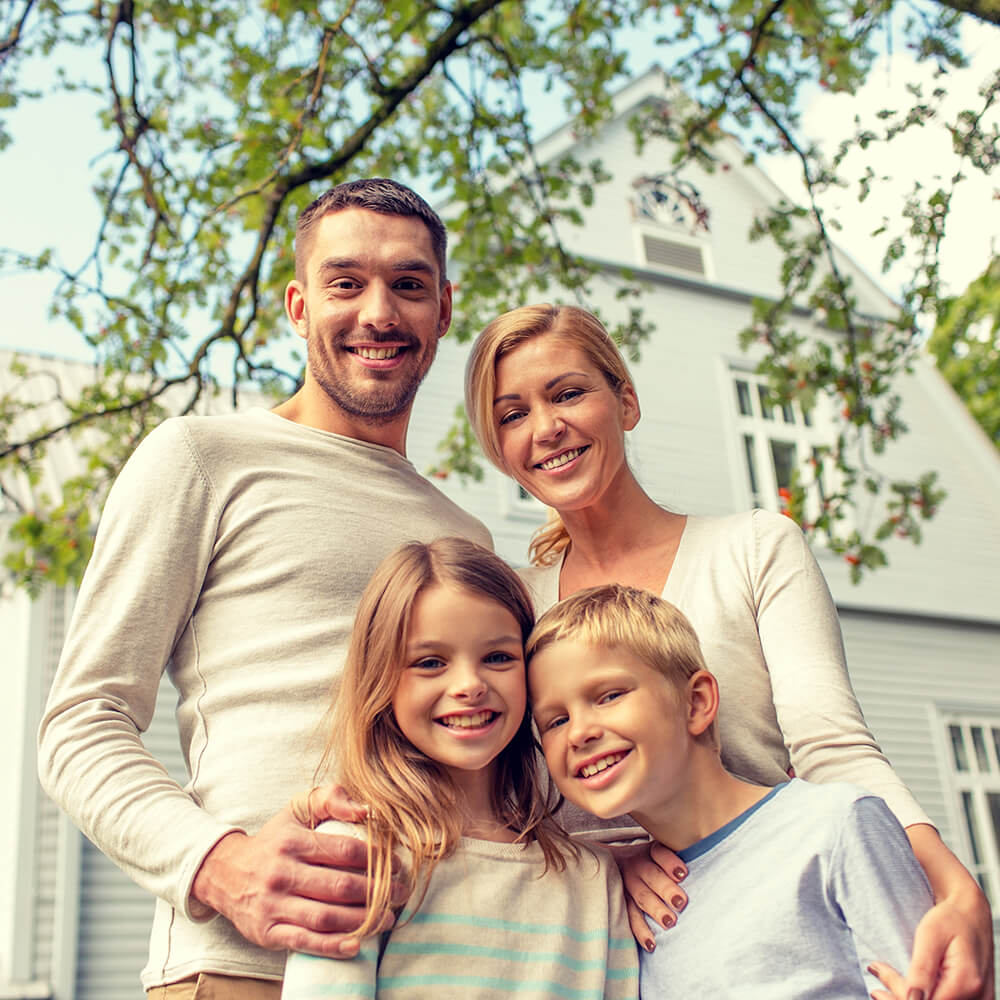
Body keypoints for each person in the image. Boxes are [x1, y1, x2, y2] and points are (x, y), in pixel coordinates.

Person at [36, 179, 494, 997]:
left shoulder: (467, 537)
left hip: (443, 967)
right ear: (297, 304)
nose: (379, 312)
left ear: (444, 308)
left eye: (409, 284)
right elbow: (80, 725)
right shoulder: (202, 457)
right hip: (247, 968)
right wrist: (220, 865)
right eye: (345, 282)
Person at [464, 303, 994, 1000]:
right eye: (513, 414)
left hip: (779, 926)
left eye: (568, 393)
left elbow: (832, 749)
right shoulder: (516, 613)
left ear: (626, 399)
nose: (546, 427)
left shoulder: (753, 549)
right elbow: (507, 807)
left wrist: (957, 890)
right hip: (620, 950)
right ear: (499, 448)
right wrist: (606, 866)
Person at [526, 582, 934, 998]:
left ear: (697, 702)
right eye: (555, 721)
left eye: (609, 695)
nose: (579, 732)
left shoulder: (837, 824)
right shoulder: (621, 902)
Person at [280, 537, 638, 999]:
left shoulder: (593, 879)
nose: (469, 685)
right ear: (381, 681)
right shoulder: (355, 856)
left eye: (497, 657)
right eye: (430, 662)